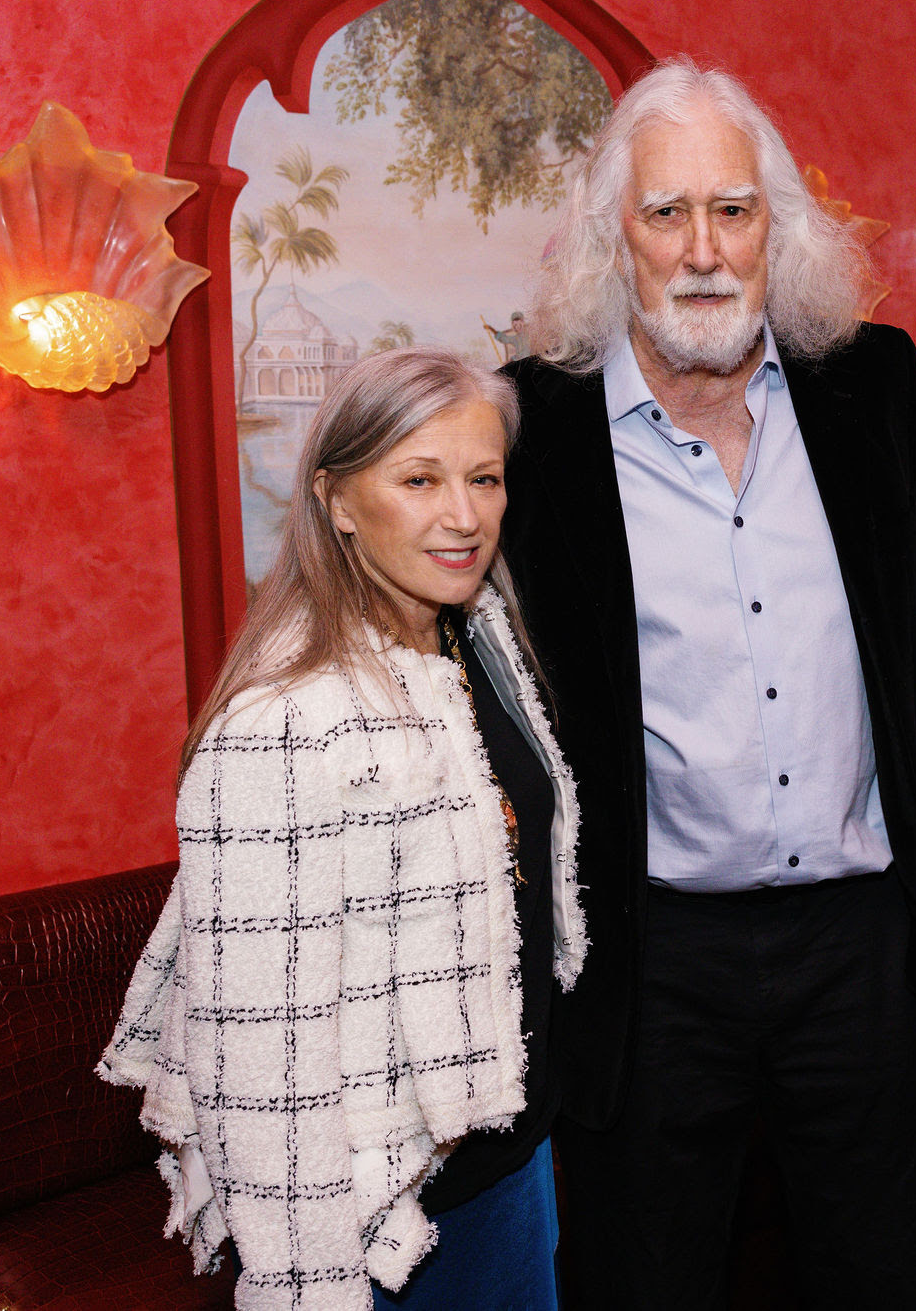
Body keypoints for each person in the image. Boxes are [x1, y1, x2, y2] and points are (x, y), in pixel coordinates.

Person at [501, 57, 916, 1309]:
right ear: (616, 240)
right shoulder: (532, 427)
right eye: (666, 212)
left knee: (890, 1276)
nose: (703, 250)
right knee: (644, 1278)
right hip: (651, 956)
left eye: (733, 210)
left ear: (775, 230)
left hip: (860, 946)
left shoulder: (871, 386)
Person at [98, 346, 586, 1310]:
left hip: (509, 1159)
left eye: (484, 479)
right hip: (379, 1213)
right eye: (420, 480)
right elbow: (259, 1067)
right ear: (337, 500)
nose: (464, 516)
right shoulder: (281, 721)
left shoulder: (481, 642)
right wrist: (308, 1286)